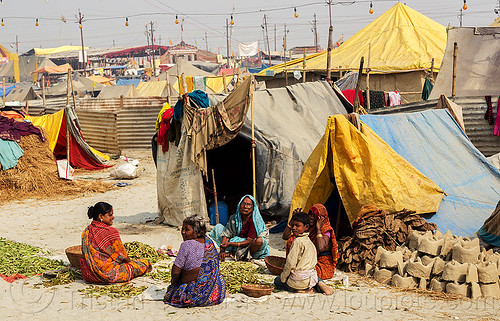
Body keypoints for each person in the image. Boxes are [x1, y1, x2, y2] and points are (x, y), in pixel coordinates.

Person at [80, 202, 152, 284]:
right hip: (107, 275)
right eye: (110, 215)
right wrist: (131, 264)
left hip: (89, 274)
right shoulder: (110, 232)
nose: (113, 217)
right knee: (144, 264)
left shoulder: (87, 230)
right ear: (101, 217)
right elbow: (122, 257)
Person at [164, 215, 226, 307]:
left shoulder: (186, 245)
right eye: (182, 229)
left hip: (194, 294)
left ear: (198, 233)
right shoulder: (209, 242)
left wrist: (173, 284)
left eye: (187, 230)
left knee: (171, 294)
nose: (183, 232)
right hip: (215, 293)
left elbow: (176, 272)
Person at [283, 204, 338, 294]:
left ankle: (320, 284)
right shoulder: (307, 228)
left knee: (304, 272)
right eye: (310, 214)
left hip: (322, 263)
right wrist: (293, 221)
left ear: (321, 217)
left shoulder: (326, 229)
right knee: (291, 240)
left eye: (314, 215)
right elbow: (285, 237)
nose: (311, 217)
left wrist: (318, 229)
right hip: (306, 260)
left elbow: (321, 247)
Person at [274, 212, 325, 294]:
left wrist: (283, 278)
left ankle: (299, 290)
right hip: (309, 278)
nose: (294, 228)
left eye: (297, 226)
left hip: (299, 280)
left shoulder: (297, 241)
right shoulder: (310, 242)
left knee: (277, 281)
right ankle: (317, 285)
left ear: (306, 227)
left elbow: (290, 263)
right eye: (292, 225)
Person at [209, 195, 270, 261]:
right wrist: (222, 250)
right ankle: (233, 252)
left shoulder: (255, 221)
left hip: (250, 246)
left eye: (249, 205)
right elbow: (226, 234)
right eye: (243, 204)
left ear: (253, 208)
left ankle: (240, 254)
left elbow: (249, 241)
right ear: (239, 205)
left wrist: (230, 244)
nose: (245, 207)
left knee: (260, 241)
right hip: (237, 243)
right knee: (218, 227)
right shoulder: (234, 218)